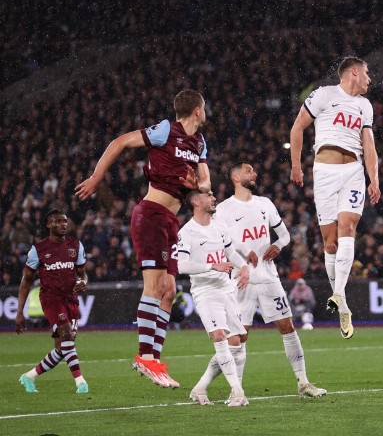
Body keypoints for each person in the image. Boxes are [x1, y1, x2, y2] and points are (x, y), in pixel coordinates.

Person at [76, 89, 210, 387]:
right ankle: (144, 357)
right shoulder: (166, 129)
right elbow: (120, 142)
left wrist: (196, 185)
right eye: (205, 107)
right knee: (155, 286)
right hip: (150, 214)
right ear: (198, 110)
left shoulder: (199, 142)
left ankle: (154, 360)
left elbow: (206, 182)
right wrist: (98, 177)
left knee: (170, 289)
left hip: (170, 221)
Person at [211, 163, 326, 398]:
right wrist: (243, 250)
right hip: (241, 279)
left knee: (288, 327)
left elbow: (284, 234)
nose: (254, 173)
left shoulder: (265, 203)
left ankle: (303, 383)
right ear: (235, 177)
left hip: (268, 277)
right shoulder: (224, 209)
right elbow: (219, 240)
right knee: (239, 337)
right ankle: (237, 391)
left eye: (254, 170)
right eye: (248, 170)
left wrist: (277, 245)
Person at [290, 57, 380, 339]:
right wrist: (296, 165)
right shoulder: (324, 94)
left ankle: (338, 293)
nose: (369, 78)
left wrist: (374, 177)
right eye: (367, 73)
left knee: (347, 229)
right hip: (325, 172)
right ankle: (343, 308)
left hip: (353, 171)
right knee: (330, 244)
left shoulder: (365, 106)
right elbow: (297, 128)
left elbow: (369, 145)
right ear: (354, 71)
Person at [177, 189, 251, 407]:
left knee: (236, 343)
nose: (213, 197)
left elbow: (231, 253)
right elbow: (181, 265)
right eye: (208, 195)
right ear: (196, 202)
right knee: (219, 337)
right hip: (205, 291)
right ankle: (237, 392)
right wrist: (212, 266)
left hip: (226, 288)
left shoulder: (219, 225)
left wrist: (244, 266)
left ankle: (200, 388)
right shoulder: (187, 232)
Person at [16, 210, 89, 394]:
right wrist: (19, 311)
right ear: (49, 225)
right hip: (51, 299)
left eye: (65, 221)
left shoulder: (75, 246)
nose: (63, 224)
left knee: (62, 349)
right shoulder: (38, 250)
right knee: (66, 334)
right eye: (58, 221)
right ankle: (81, 383)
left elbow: (83, 274)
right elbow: (26, 280)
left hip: (70, 299)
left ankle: (29, 376)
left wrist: (83, 282)